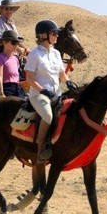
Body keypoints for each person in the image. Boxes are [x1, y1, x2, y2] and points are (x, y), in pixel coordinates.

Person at [24, 20, 78, 163]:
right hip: (38, 95)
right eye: (53, 33)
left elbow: (61, 73)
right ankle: (41, 149)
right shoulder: (34, 54)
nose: (56, 36)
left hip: (57, 94)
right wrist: (42, 90)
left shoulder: (56, 54)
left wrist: (68, 82)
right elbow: (29, 78)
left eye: (56, 33)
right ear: (42, 35)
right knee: (47, 116)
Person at [0, 30, 24, 99]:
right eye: (13, 43)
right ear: (4, 43)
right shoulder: (0, 58)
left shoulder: (16, 59)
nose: (16, 46)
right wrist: (1, 94)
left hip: (18, 89)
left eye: (17, 43)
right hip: (6, 89)